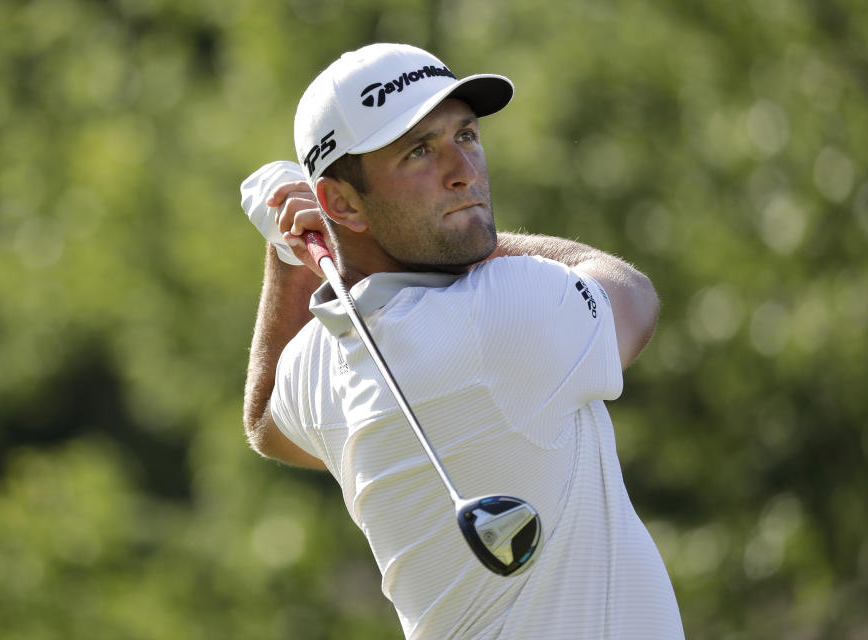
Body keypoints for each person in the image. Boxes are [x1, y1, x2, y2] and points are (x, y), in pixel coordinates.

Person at [240, 43, 685, 639]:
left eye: (466, 135)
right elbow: (632, 294)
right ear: (342, 203)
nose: (463, 171)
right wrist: (481, 238)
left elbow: (266, 420)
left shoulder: (322, 362)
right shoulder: (503, 306)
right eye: (419, 152)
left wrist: (287, 254)